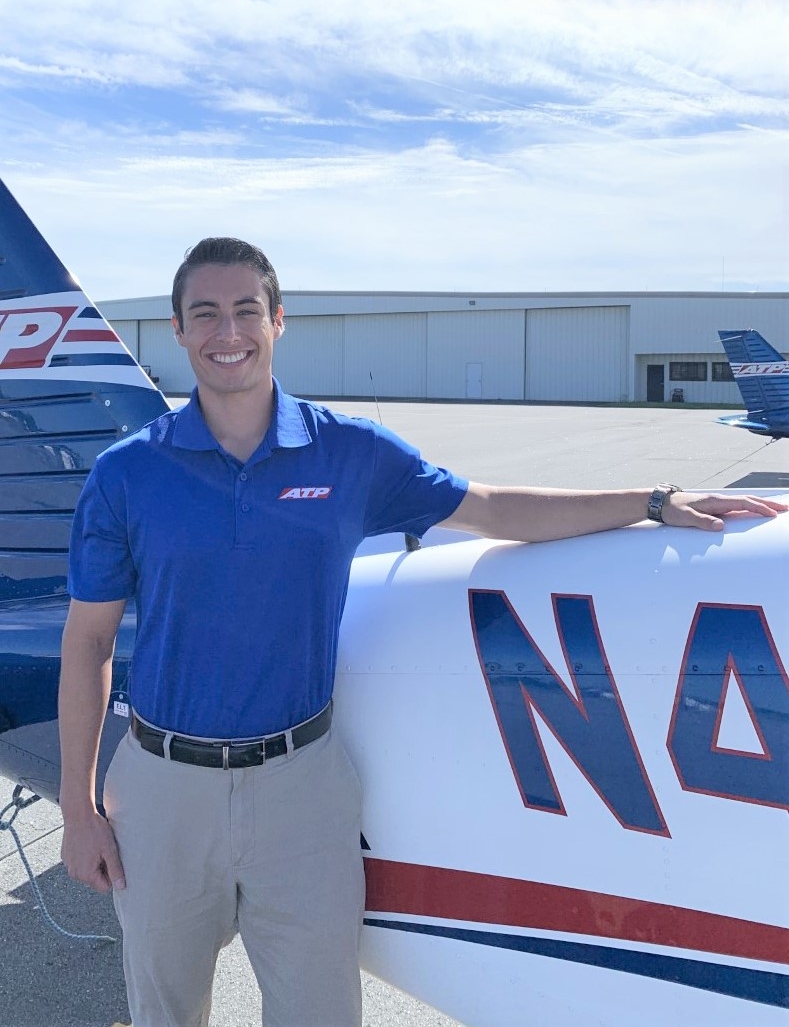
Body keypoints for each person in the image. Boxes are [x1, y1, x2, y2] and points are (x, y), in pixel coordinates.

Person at [58, 238, 786, 1027]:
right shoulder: (127, 473)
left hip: (301, 787)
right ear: (176, 329)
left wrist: (648, 503)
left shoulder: (347, 452)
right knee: (165, 1013)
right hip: (164, 786)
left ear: (277, 321)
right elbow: (89, 643)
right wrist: (79, 808)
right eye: (205, 314)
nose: (226, 332)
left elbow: (493, 508)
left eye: (245, 310)